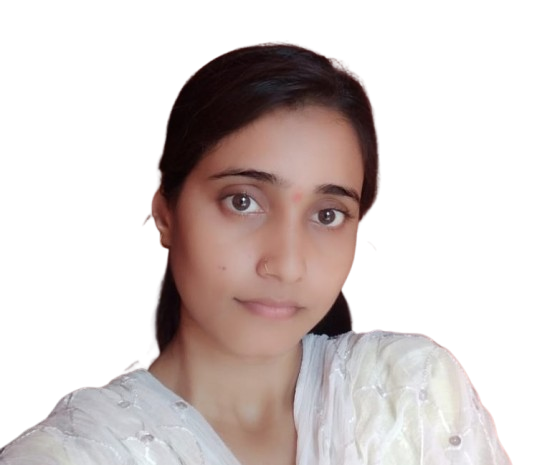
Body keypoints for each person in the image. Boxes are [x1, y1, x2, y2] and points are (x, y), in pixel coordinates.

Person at [0, 41, 511, 465]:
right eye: (242, 201)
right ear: (164, 213)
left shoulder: (413, 393)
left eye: (327, 214)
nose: (286, 265)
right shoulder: (71, 455)